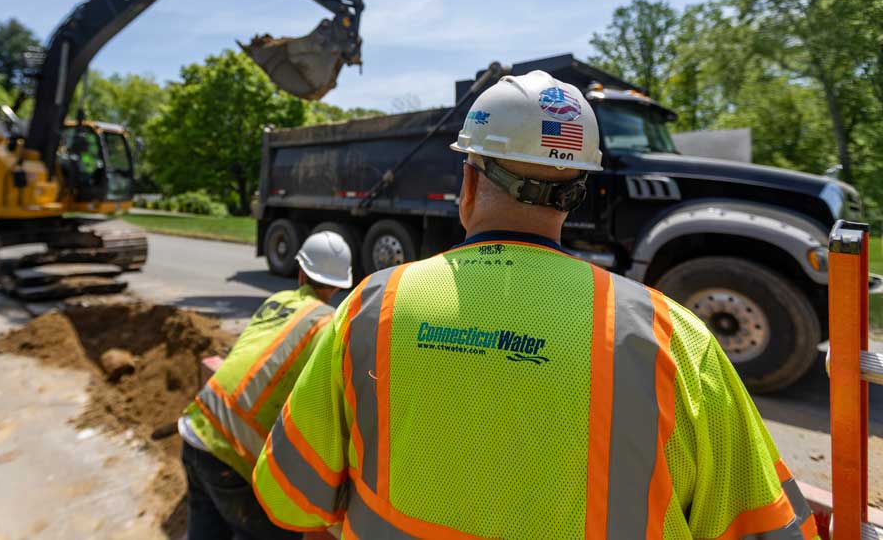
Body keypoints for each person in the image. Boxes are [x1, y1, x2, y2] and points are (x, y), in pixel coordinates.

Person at [253, 71, 818, 539]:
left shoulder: (371, 308)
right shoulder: (677, 338)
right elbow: (770, 525)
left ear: (468, 182)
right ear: (579, 190)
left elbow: (292, 499)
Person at [178, 231, 352, 540]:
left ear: (300, 272)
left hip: (196, 426)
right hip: (235, 457)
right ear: (340, 286)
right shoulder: (331, 326)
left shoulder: (277, 300)